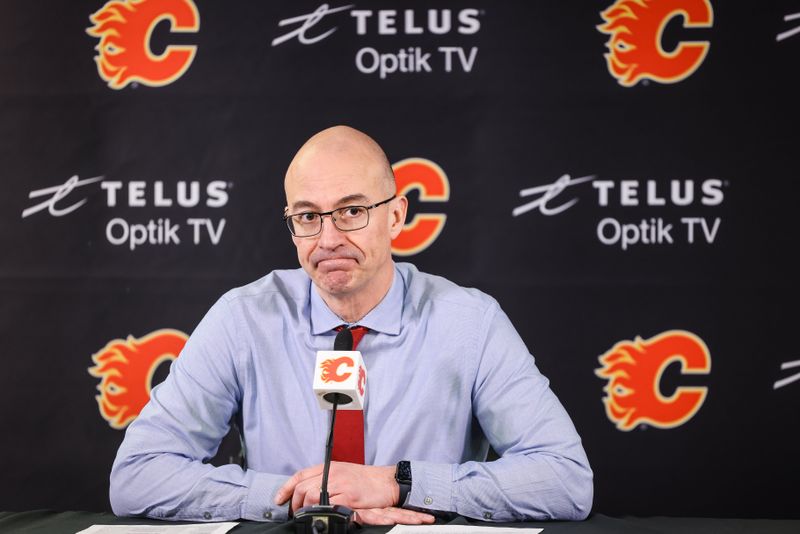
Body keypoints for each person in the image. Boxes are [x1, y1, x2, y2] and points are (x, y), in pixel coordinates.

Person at [110, 125, 593, 526]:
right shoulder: (243, 318)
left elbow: (565, 478)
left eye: (352, 211)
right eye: (307, 216)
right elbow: (137, 475)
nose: (328, 238)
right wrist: (298, 496)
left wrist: (399, 484)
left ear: (396, 216)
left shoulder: (470, 322)